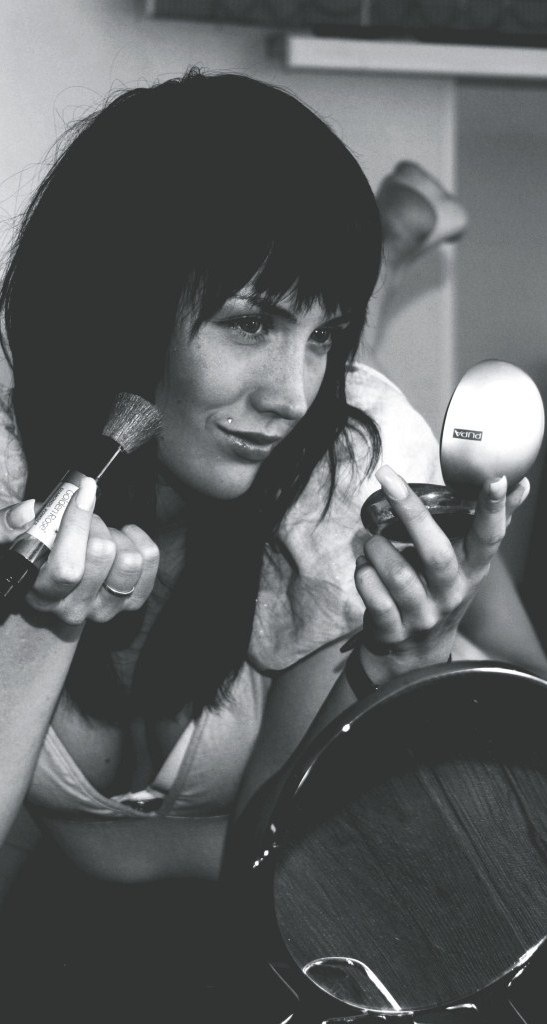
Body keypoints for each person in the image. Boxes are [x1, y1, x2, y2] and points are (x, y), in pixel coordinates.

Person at [0, 69, 536, 1017]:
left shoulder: (332, 475)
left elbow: (286, 860)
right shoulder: (12, 481)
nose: (291, 393)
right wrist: (41, 627)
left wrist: (392, 667)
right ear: (117, 305)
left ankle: (380, 260)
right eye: (249, 322)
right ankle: (387, 243)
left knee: (488, 639)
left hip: (339, 481)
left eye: (325, 334)